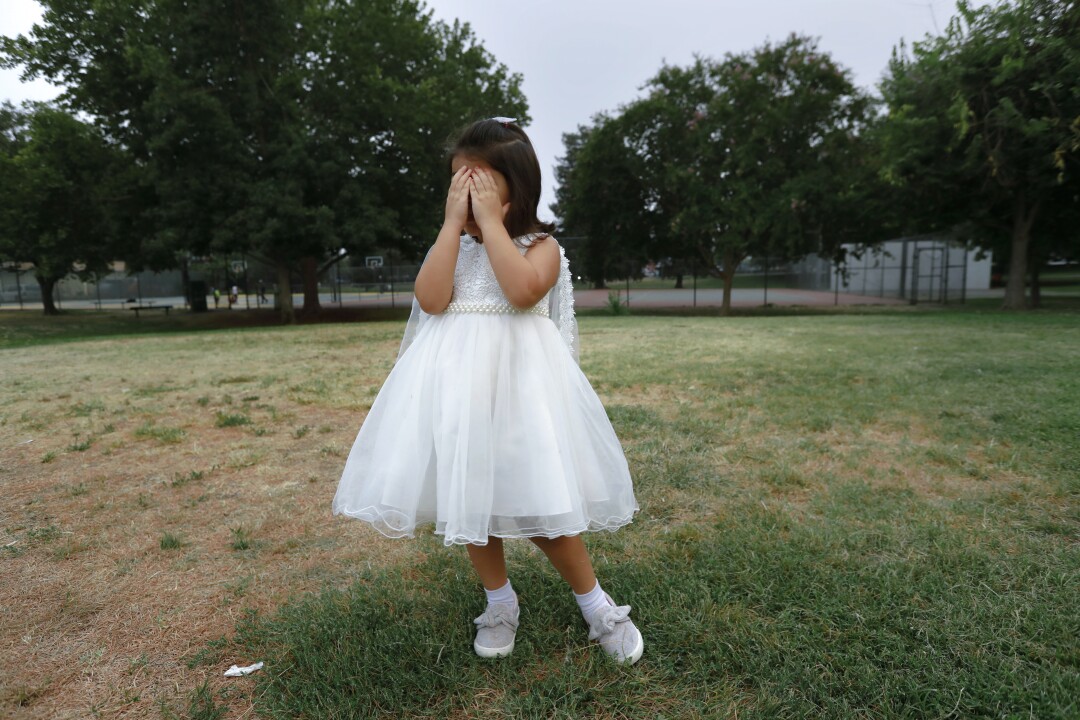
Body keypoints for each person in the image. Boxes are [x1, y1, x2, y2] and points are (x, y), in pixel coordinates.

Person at [333, 118, 642, 664]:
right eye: (457, 183)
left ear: (513, 189)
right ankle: (500, 602)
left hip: (523, 396)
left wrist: (493, 226)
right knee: (470, 497)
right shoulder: (457, 246)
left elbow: (522, 292)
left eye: (477, 184)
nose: (465, 193)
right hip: (460, 395)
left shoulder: (543, 246)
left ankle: (596, 604)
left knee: (544, 505)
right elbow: (430, 299)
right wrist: (452, 226)